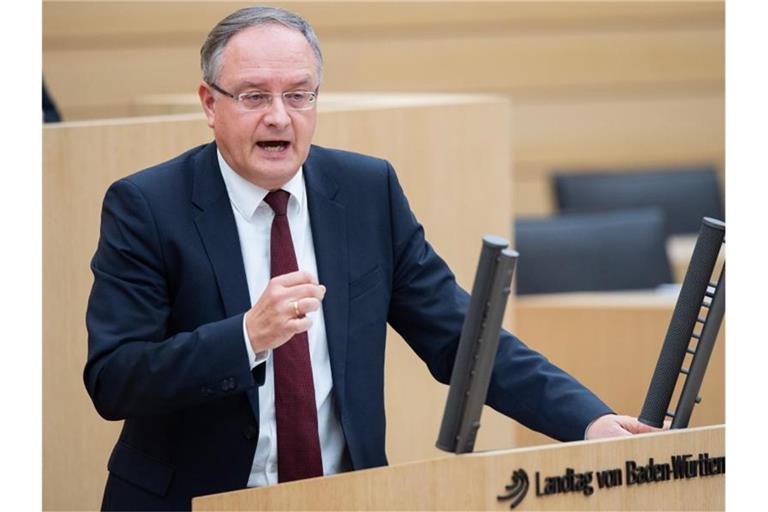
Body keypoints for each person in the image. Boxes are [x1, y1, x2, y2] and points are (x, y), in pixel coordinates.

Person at [84, 6, 659, 511]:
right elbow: (114, 379)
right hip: (196, 500)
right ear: (210, 104)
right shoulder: (147, 206)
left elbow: (461, 336)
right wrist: (245, 337)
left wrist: (587, 421)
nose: (279, 116)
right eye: (255, 96)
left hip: (346, 497)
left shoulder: (365, 192)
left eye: (298, 94)